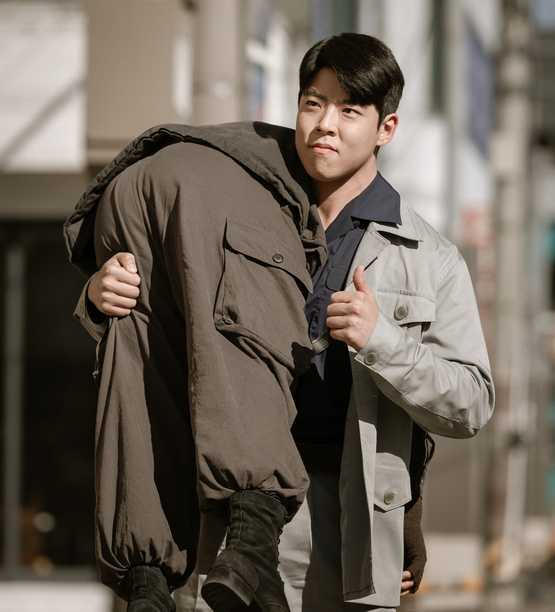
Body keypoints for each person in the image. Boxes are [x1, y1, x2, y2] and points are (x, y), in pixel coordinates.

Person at [66, 33, 494, 612]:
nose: (325, 125)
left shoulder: (428, 255)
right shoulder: (229, 202)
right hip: (219, 521)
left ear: (385, 129)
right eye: (313, 103)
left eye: (349, 111)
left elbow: (472, 400)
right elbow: (161, 327)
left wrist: (382, 340)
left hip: (345, 524)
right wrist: (97, 297)